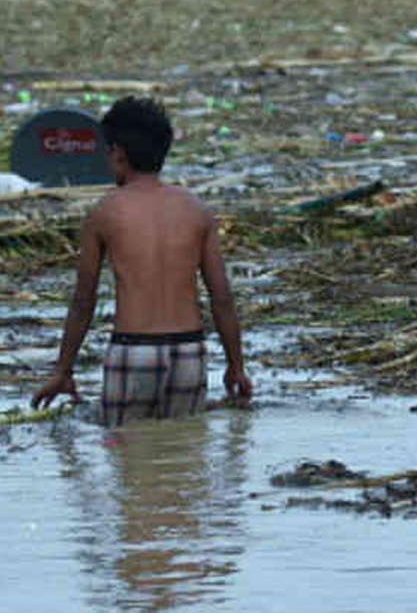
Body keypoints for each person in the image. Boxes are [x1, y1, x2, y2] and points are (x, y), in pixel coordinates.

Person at [31, 97, 252, 425]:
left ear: (118, 153)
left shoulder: (105, 212)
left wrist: (63, 370)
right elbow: (221, 298)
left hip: (133, 353)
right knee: (183, 458)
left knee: (129, 461)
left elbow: (83, 300)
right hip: (189, 353)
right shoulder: (197, 211)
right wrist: (236, 366)